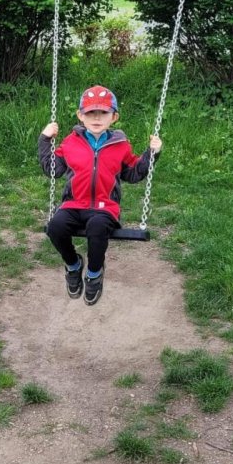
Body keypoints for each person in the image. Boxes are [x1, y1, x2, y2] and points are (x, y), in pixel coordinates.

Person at [39, 85, 162, 306]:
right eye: (90, 113)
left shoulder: (120, 145)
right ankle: (73, 265)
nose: (96, 118)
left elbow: (133, 172)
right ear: (80, 115)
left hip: (105, 207)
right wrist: (45, 140)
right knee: (55, 227)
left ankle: (94, 273)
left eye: (103, 113)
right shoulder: (70, 143)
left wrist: (151, 154)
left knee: (96, 228)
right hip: (74, 204)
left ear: (114, 117)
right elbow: (52, 169)